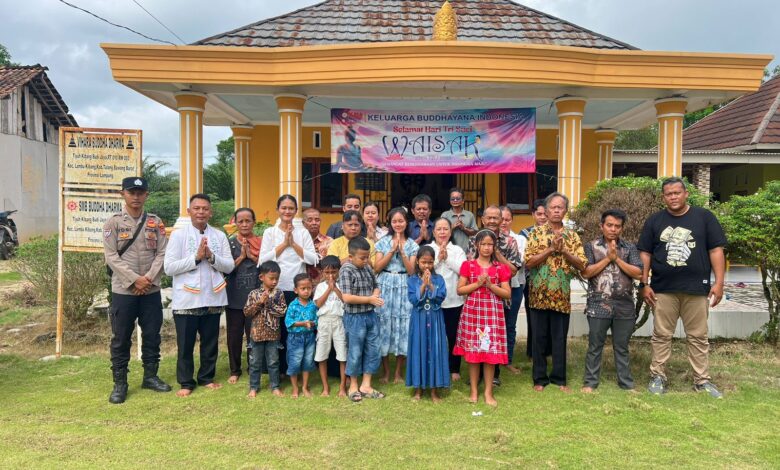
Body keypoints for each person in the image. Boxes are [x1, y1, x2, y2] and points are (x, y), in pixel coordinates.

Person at [638, 177, 727, 398]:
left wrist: (719, 282)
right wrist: (644, 283)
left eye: (677, 192)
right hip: (663, 288)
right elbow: (645, 253)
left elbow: (716, 250)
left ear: (686, 194)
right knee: (661, 335)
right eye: (669, 194)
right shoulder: (655, 220)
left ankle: (702, 381)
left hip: (696, 289)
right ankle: (657, 376)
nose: (673, 197)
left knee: (698, 336)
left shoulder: (704, 217)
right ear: (663, 197)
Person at [103, 176, 171, 404]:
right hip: (124, 291)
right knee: (121, 338)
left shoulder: (155, 222)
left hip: (150, 290)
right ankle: (120, 384)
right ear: (123, 194)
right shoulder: (113, 223)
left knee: (152, 335)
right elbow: (111, 256)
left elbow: (162, 253)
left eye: (140, 193)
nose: (136, 197)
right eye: (131, 192)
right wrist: (134, 280)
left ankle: (150, 377)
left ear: (146, 195)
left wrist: (148, 279)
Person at [164, 193, 234, 397]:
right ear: (189, 211)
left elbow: (229, 266)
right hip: (187, 299)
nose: (201, 212)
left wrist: (211, 257)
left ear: (211, 212)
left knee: (210, 342)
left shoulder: (219, 236)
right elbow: (169, 267)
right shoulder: (178, 235)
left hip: (213, 296)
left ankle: (206, 378)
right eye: (197, 208)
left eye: (205, 208)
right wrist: (195, 258)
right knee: (185, 345)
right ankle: (186, 382)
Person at [524, 192, 587, 393]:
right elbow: (528, 262)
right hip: (538, 294)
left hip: (561, 295)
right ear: (547, 210)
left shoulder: (572, 235)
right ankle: (539, 378)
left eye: (560, 207)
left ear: (565, 211)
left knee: (559, 338)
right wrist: (550, 249)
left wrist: (564, 251)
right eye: (553, 207)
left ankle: (559, 379)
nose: (557, 211)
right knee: (539, 338)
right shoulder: (536, 233)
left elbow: (582, 264)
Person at [581, 209, 642, 393]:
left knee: (622, 346)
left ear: (622, 228)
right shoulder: (591, 247)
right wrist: (608, 258)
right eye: (609, 225)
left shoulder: (629, 248)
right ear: (602, 226)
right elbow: (586, 272)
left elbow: (638, 272)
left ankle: (626, 383)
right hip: (598, 303)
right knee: (595, 345)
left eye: (617, 226)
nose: (613, 229)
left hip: (624, 304)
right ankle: (590, 383)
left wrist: (617, 260)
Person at [258, 194, 318, 376]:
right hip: (275, 288)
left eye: (291, 208)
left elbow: (313, 259)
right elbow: (262, 260)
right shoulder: (270, 232)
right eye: (284, 208)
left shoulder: (303, 233)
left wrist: (294, 244)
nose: (287, 211)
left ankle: (294, 368)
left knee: (293, 330)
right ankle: (277, 370)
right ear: (278, 210)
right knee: (276, 330)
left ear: (296, 211)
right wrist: (284, 244)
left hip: (297, 289)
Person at [467, 205, 522, 385]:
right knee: (477, 335)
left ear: (501, 220)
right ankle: (477, 375)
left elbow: (513, 270)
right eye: (488, 218)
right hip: (477, 296)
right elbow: (469, 268)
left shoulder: (509, 241)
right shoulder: (473, 240)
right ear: (482, 220)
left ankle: (494, 374)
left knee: (496, 335)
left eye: (495, 218)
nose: (492, 221)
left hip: (500, 297)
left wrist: (497, 254)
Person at [455, 229, 512, 406]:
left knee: (489, 353)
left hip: (492, 315)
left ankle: (488, 392)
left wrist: (490, 285)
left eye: (490, 244)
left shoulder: (500, 268)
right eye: (484, 244)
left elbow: (507, 293)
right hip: (473, 313)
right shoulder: (468, 265)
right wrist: (478, 284)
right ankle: (473, 390)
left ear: (494, 247)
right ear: (477, 245)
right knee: (474, 352)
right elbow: (460, 290)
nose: (487, 248)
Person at [374, 207, 418, 384]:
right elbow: (377, 267)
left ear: (406, 222)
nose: (398, 224)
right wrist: (392, 250)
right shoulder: (382, 242)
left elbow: (412, 271)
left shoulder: (413, 245)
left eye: (401, 221)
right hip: (385, 283)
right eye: (394, 221)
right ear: (390, 223)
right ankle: (386, 371)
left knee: (403, 325)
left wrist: (403, 252)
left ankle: (399, 372)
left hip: (404, 284)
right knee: (384, 324)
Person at [339, 237, 386, 402]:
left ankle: (366, 385)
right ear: (351, 256)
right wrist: (370, 299)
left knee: (373, 349)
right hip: (354, 318)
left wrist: (375, 295)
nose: (366, 261)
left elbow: (376, 286)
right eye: (362, 258)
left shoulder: (367, 268)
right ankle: (353, 385)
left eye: (367, 257)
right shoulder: (346, 270)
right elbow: (346, 297)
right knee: (355, 351)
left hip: (371, 315)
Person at [406, 245, 450, 402]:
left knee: (435, 350)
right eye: (424, 262)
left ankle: (434, 391)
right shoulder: (412, 280)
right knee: (419, 349)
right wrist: (423, 285)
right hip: (419, 319)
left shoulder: (439, 279)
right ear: (417, 261)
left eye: (430, 262)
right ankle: (418, 389)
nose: (427, 266)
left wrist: (431, 284)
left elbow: (441, 297)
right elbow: (413, 300)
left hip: (435, 319)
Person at [428, 218, 467, 381]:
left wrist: (447, 258)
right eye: (439, 229)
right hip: (432, 300)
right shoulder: (428, 249)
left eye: (445, 229)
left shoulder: (457, 250)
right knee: (433, 336)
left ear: (450, 232)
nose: (442, 232)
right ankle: (434, 365)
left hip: (454, 300)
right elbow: (424, 268)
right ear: (433, 232)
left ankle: (454, 368)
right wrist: (438, 258)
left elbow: (463, 270)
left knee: (453, 336)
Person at [225, 207, 260, 385]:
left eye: (248, 221)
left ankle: (253, 367)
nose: (245, 224)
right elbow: (224, 268)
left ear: (254, 222)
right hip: (234, 297)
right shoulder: (229, 244)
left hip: (255, 297)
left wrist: (252, 257)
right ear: (235, 223)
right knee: (234, 336)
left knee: (254, 335)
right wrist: (241, 257)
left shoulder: (260, 242)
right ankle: (235, 370)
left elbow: (267, 267)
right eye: (241, 221)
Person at [244, 261, 287, 398]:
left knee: (273, 362)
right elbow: (247, 312)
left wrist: (268, 303)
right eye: (271, 278)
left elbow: (282, 311)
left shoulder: (279, 294)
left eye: (277, 279)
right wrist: (259, 302)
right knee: (255, 362)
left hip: (273, 335)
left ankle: (275, 386)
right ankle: (253, 387)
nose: (274, 281)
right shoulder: (254, 294)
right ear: (262, 277)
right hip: (257, 335)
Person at [313, 256, 347, 397]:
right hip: (324, 322)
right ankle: (325, 387)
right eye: (327, 273)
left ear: (339, 271)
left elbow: (345, 300)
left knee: (342, 354)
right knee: (322, 354)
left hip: (339, 321)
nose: (330, 275)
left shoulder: (343, 285)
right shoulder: (320, 287)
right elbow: (318, 304)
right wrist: (329, 289)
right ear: (322, 273)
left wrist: (335, 289)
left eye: (334, 272)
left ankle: (342, 387)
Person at [519, 199, 548, 359]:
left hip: (551, 281)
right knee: (533, 316)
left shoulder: (555, 232)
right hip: (531, 280)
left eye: (545, 214)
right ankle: (532, 350)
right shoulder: (525, 234)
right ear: (533, 215)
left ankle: (548, 350)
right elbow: (525, 258)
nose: (542, 217)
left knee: (549, 316)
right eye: (539, 214)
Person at [499, 206, 526, 375]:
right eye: (501, 219)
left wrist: (500, 257)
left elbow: (519, 264)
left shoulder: (520, 240)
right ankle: (493, 358)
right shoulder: (490, 238)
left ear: (512, 221)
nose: (504, 222)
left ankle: (507, 360)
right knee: (495, 323)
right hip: (494, 287)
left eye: (507, 219)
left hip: (515, 286)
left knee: (510, 323)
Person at [285, 273, 319, 398]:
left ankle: (304, 386)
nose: (306, 291)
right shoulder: (293, 305)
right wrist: (303, 323)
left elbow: (316, 320)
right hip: (295, 338)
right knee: (294, 362)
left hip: (309, 337)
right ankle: (295, 388)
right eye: (303, 288)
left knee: (307, 362)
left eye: (309, 288)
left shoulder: (313, 305)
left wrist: (312, 323)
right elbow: (288, 322)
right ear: (296, 290)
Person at [440, 187, 478, 252]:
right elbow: (440, 233)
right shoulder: (445, 215)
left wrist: (464, 228)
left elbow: (475, 232)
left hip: (466, 250)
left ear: (463, 200)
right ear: (450, 201)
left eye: (458, 199)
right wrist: (452, 227)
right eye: (452, 199)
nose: (455, 200)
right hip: (448, 250)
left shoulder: (469, 215)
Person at [302, 208, 332, 284]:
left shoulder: (329, 241)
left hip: (322, 285)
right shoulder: (298, 242)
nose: (314, 223)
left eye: (317, 220)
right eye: (310, 220)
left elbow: (331, 265)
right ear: (303, 223)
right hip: (302, 286)